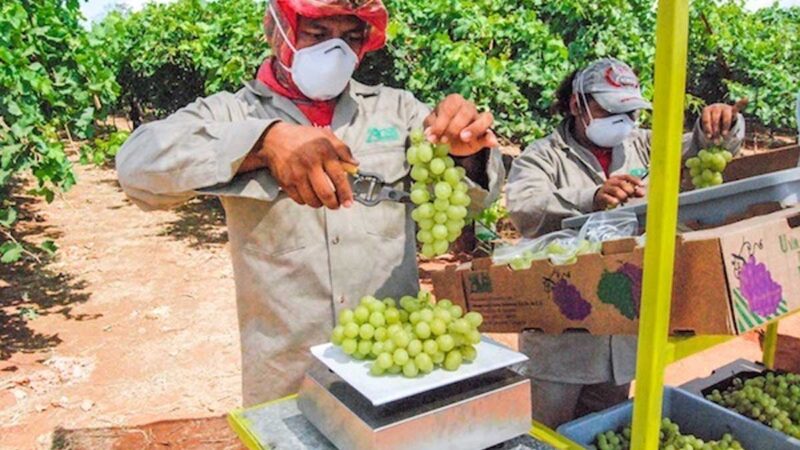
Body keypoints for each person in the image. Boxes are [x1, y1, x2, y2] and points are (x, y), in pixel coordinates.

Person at [115, 0, 504, 406]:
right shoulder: (231, 113)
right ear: (276, 31)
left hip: (392, 361)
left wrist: (466, 152)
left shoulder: (398, 110)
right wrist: (263, 143)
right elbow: (137, 166)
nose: (336, 51)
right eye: (317, 35)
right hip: (289, 376)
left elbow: (473, 201)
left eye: (351, 38)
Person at [505, 58, 747, 427]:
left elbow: (698, 148)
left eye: (630, 111)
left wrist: (719, 126)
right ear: (577, 105)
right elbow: (525, 208)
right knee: (546, 432)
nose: (623, 121)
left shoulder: (642, 145)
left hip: (621, 334)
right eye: (611, 110)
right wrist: (590, 197)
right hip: (562, 346)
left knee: (603, 429)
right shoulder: (543, 155)